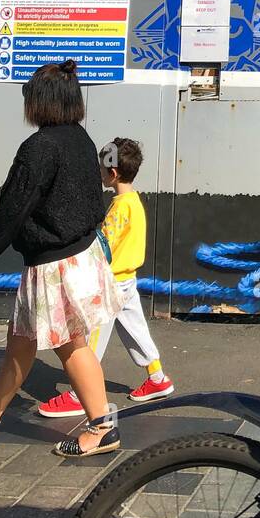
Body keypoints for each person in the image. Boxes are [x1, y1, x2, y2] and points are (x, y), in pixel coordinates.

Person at [0, 60, 122, 457]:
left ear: (39, 102)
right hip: (78, 255)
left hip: (54, 265)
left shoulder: (39, 147)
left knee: (70, 345)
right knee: (21, 342)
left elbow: (14, 206)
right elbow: (95, 200)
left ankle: (102, 426)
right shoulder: (81, 139)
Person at [37, 137, 173, 417]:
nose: (98, 173)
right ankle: (157, 378)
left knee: (92, 333)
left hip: (110, 281)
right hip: (127, 278)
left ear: (112, 174)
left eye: (101, 169)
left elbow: (103, 244)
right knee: (134, 327)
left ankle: (80, 393)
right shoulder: (132, 202)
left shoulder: (119, 208)